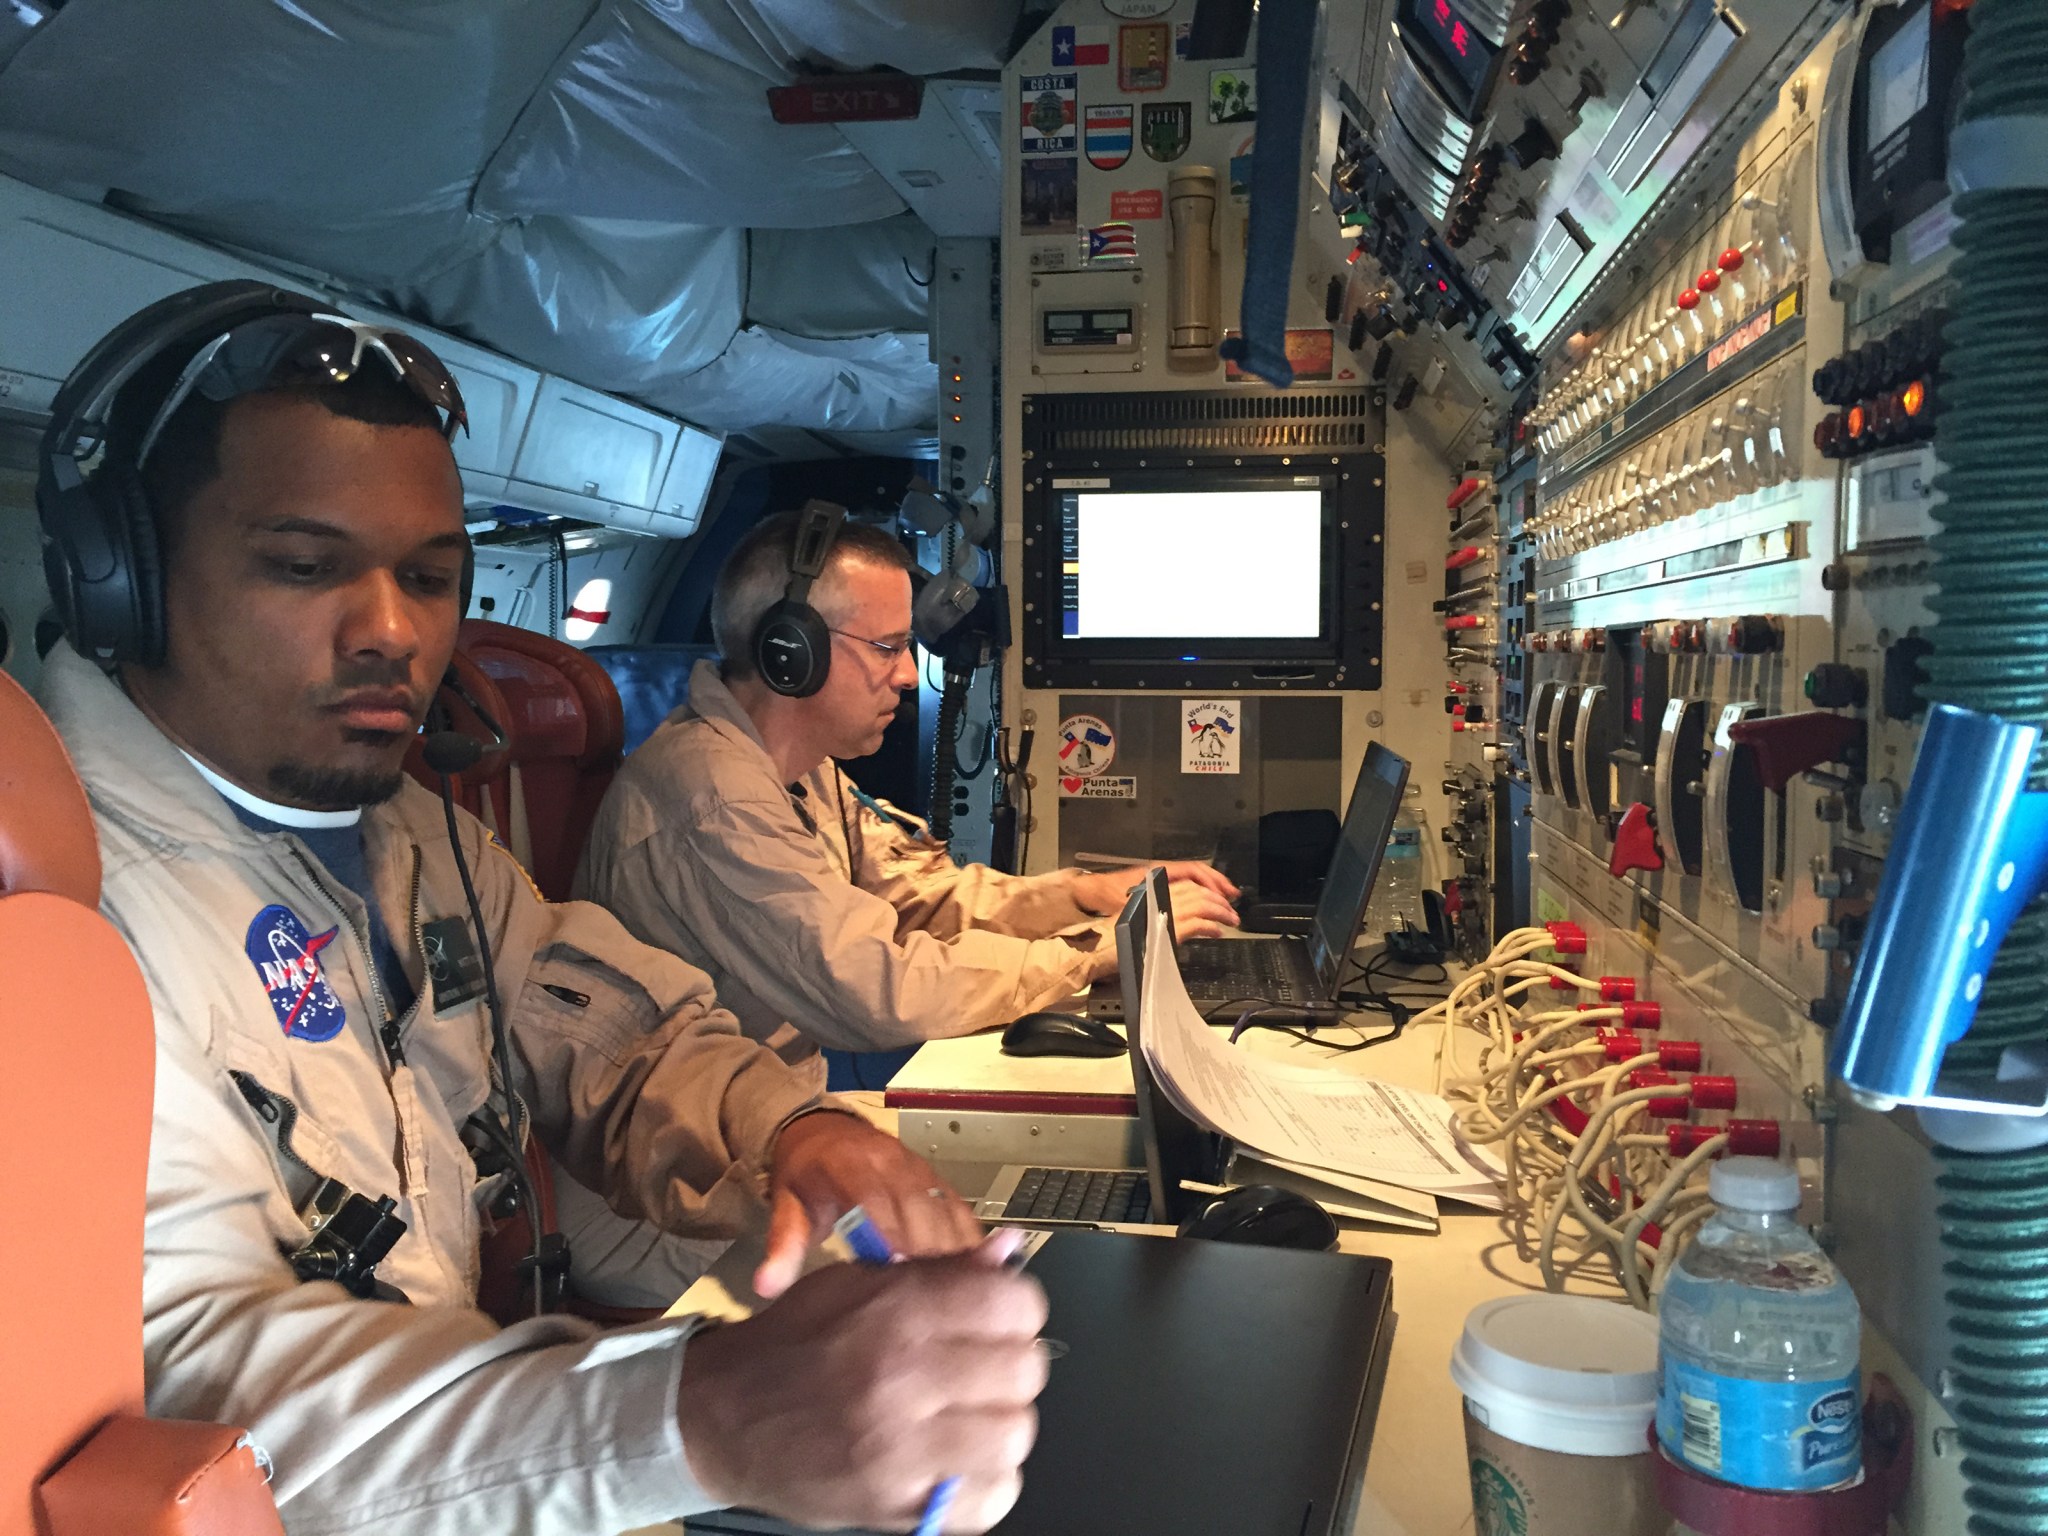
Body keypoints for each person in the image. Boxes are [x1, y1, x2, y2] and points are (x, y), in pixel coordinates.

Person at [32, 283, 1045, 1535]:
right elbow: (185, 1392)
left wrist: (792, 1130)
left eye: (432, 575)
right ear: (118, 576)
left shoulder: (413, 840)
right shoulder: (58, 920)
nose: (393, 633)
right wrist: (698, 1419)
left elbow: (617, 1037)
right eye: (304, 567)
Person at [574, 509, 1241, 1076]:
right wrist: (1098, 951)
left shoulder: (800, 771)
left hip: (763, 1131)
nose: (903, 675)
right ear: (791, 652)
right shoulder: (713, 797)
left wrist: (1085, 895)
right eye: (887, 646)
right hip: (678, 1194)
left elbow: (925, 898)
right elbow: (878, 989)